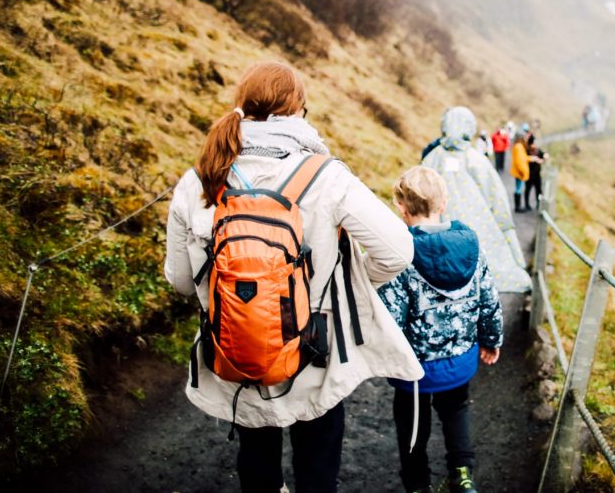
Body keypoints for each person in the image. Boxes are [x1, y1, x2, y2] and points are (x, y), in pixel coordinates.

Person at [164, 62, 423, 493]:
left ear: (242, 107)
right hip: (313, 349)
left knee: (257, 463)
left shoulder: (199, 180)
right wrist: (344, 287)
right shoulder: (326, 175)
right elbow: (397, 251)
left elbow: (178, 280)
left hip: (235, 346)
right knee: (318, 464)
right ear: (298, 111)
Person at [380, 166, 503, 493]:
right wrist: (491, 340)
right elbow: (489, 298)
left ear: (401, 209)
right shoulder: (472, 246)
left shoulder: (401, 253)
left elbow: (390, 317)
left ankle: (418, 485)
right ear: (443, 203)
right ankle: (462, 477)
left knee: (411, 425)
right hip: (459, 360)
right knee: (456, 411)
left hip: (414, 370)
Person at [422, 107, 530, 293]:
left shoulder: (432, 158)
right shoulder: (477, 160)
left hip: (439, 232)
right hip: (476, 232)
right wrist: (506, 228)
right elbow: (497, 198)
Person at [524, 133, 547, 211]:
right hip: (529, 173)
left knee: (538, 190)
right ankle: (527, 204)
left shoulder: (537, 150)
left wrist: (544, 156)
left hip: (537, 174)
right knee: (528, 189)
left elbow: (542, 155)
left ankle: (538, 204)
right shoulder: (526, 150)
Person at [510, 130, 531, 213]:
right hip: (519, 172)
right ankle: (517, 207)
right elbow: (519, 161)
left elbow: (523, 157)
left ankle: (517, 206)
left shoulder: (517, 146)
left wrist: (531, 158)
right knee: (518, 189)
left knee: (518, 188)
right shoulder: (519, 146)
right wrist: (523, 172)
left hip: (518, 171)